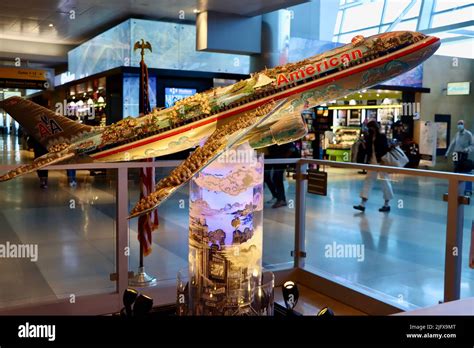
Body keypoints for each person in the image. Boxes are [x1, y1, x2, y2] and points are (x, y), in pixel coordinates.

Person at [353, 120, 394, 212]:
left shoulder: (382, 137)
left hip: (382, 162)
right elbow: (367, 150)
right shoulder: (369, 137)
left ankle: (387, 204)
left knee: (385, 182)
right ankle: (362, 204)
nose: (369, 129)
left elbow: (385, 149)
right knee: (368, 181)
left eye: (370, 128)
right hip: (372, 162)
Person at [264, 142, 297, 209]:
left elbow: (291, 148)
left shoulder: (282, 137)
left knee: (277, 178)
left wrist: (284, 159)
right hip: (275, 160)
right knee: (272, 178)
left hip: (279, 160)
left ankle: (281, 199)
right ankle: (278, 197)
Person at [445, 119, 473, 195]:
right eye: (458, 124)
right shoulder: (457, 134)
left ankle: (463, 189)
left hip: (463, 154)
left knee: (461, 170)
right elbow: (452, 144)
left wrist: (467, 149)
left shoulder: (468, 134)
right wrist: (447, 153)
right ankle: (454, 188)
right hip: (455, 153)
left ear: (464, 125)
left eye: (461, 123)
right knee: (455, 169)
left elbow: (472, 145)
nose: (459, 125)